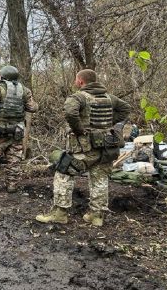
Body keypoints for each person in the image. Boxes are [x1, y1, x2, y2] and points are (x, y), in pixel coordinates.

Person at [35, 69, 131, 227]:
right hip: (107, 147)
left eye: (76, 80)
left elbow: (70, 113)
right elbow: (125, 109)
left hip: (86, 149)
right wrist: (108, 124)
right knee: (99, 179)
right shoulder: (110, 98)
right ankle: (96, 216)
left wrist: (79, 130)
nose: (75, 82)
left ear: (80, 81)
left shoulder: (78, 97)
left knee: (63, 171)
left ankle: (60, 214)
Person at [0, 65, 38, 193]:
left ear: (2, 76)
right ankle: (12, 185)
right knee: (14, 159)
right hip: (17, 130)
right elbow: (33, 108)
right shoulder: (25, 90)